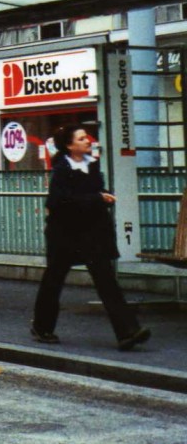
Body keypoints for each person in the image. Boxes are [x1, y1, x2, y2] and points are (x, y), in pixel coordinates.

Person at [31, 124, 151, 351]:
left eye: (87, 138)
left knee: (106, 280)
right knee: (53, 281)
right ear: (70, 146)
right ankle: (41, 327)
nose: (88, 141)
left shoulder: (91, 165)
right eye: (82, 138)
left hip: (90, 235)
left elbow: (95, 193)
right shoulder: (61, 170)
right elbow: (60, 202)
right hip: (64, 236)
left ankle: (128, 332)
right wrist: (97, 198)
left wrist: (102, 198)